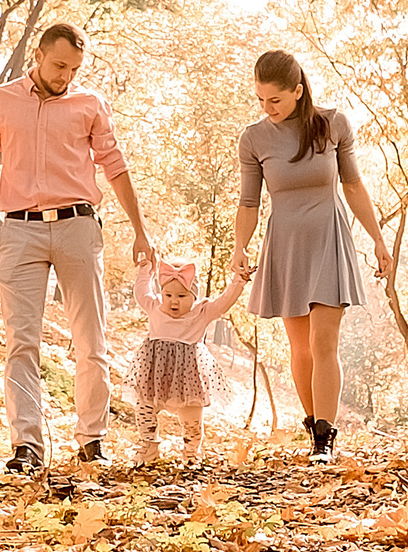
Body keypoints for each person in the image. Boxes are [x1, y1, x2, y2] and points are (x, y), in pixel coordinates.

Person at [0, 23, 158, 475]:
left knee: (90, 340)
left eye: (74, 68)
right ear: (38, 54)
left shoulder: (89, 105)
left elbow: (114, 165)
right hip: (20, 231)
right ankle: (27, 446)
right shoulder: (1, 101)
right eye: (59, 65)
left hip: (77, 227)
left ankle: (92, 439)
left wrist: (140, 229)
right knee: (21, 341)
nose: (65, 76)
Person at [232, 49, 391, 461]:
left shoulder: (333, 125)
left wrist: (377, 239)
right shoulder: (253, 139)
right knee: (299, 348)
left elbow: (354, 186)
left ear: (298, 92)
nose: (267, 108)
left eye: (275, 100)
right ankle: (313, 426)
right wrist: (239, 247)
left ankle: (325, 438)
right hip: (286, 245)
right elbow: (249, 202)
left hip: (328, 238)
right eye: (261, 100)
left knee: (324, 342)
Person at [130, 259, 247, 463]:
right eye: (168, 295)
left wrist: (239, 280)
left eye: (182, 296)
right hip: (154, 373)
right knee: (144, 406)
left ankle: (192, 452)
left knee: (192, 416)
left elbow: (225, 301)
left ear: (194, 296)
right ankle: (148, 446)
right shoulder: (155, 307)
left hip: (187, 376)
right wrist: (145, 270)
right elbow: (141, 293)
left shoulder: (201, 312)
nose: (174, 301)